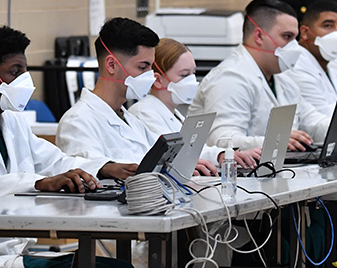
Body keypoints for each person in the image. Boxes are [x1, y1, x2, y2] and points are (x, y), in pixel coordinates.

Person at [0, 24, 125, 268]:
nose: (25, 80)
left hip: (13, 249)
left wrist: (106, 167)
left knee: (115, 266)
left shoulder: (11, 120)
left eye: (25, 71)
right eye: (15, 72)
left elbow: (54, 161)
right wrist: (39, 183)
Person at [56, 18, 220, 178]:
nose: (149, 76)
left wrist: (178, 166)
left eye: (150, 66)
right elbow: (90, 176)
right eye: (142, 67)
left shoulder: (131, 121)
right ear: (111, 65)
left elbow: (159, 160)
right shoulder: (77, 122)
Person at [189, 0, 330, 150]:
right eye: (287, 37)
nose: (294, 47)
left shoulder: (283, 79)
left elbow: (313, 123)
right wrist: (274, 141)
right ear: (259, 36)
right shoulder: (230, 79)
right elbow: (222, 140)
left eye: (294, 38)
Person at [128, 37, 261, 169]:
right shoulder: (143, 112)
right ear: (157, 80)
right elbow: (171, 155)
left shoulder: (174, 114)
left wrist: (224, 154)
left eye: (193, 73)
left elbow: (196, 148)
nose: (192, 81)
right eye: (184, 75)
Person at [283, 0, 337, 117]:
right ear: (305, 32)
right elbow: (326, 114)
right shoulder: (295, 65)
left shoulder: (331, 64)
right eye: (328, 26)